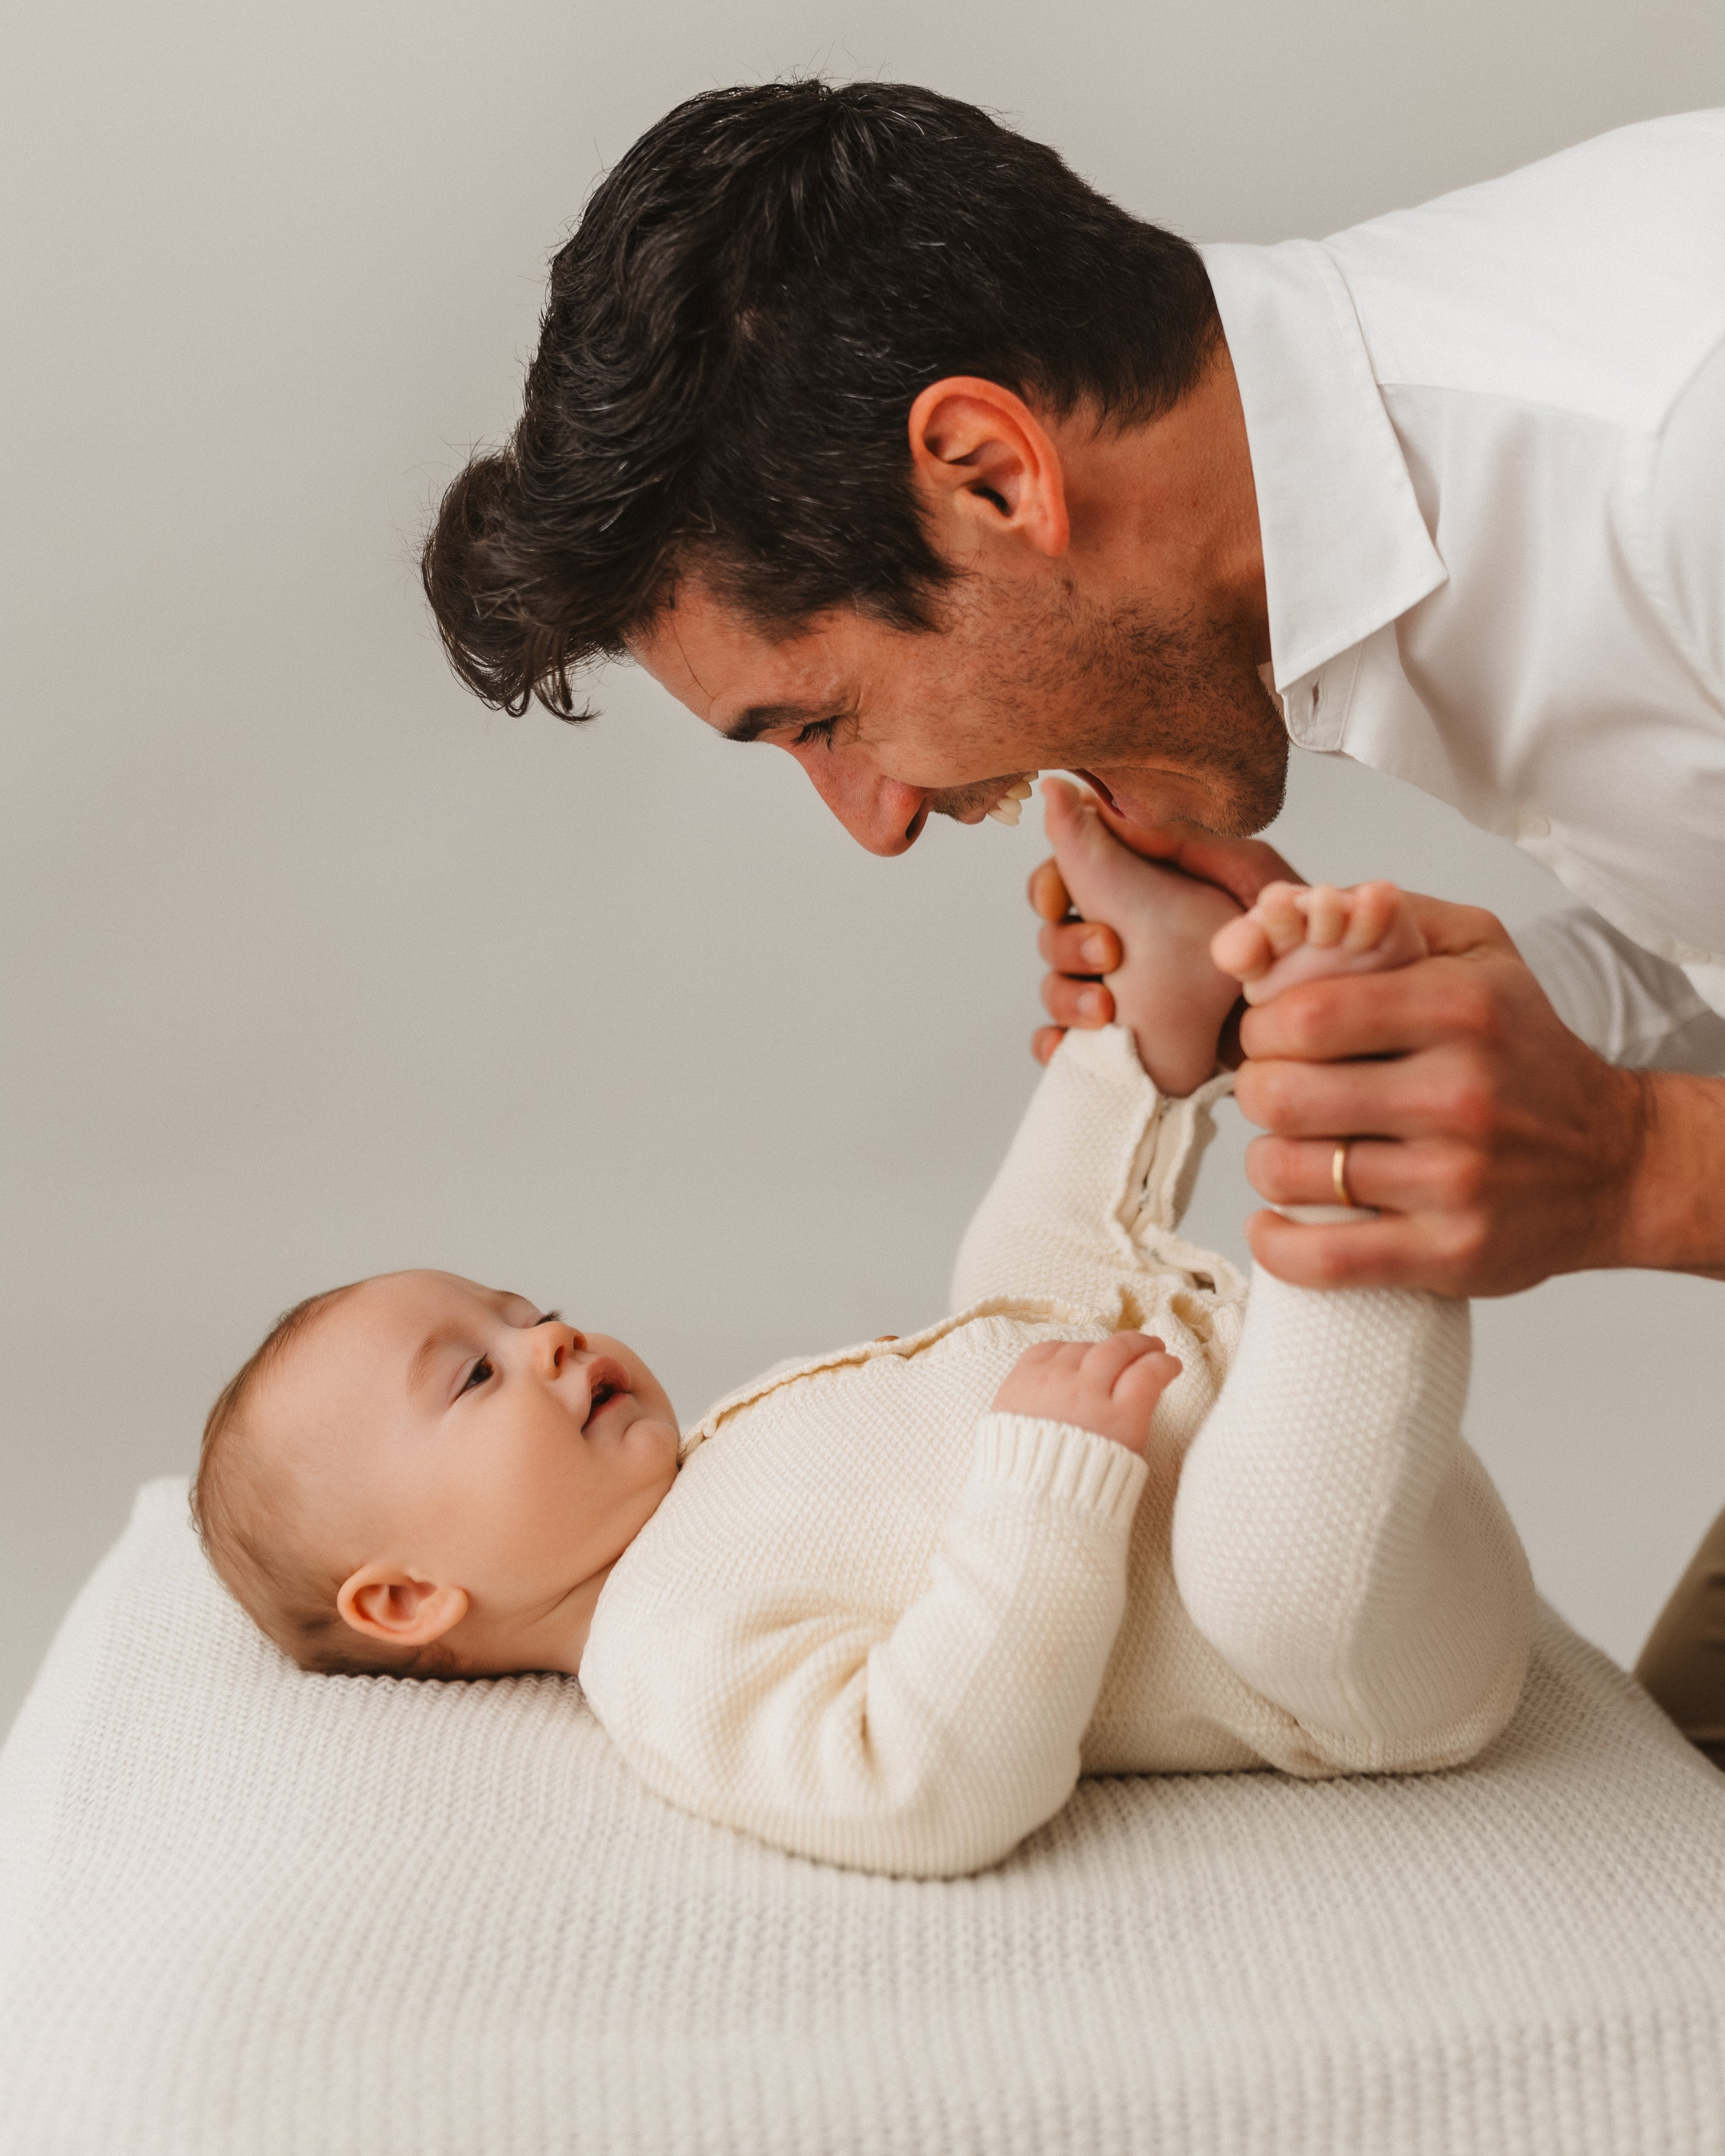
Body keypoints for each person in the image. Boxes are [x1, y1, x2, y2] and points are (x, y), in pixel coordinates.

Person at [416, 80, 1725, 1746]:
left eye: (823, 721)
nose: (876, 820)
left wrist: (1639, 1167)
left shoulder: (1669, 464)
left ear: (986, 475)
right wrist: (1332, 1013)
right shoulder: (1385, 505)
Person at [192, 796, 1531, 1876]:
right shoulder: (664, 1658)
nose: (549, 1339)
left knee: (1004, 1273)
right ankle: (1358, 1136)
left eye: (523, 1308)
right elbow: (922, 1784)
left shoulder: (706, 1470)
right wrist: (1040, 1490)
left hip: (1254, 1431)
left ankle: (1150, 1032)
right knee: (1261, 1573)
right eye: (475, 1372)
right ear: (409, 1595)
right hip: (1340, 1648)